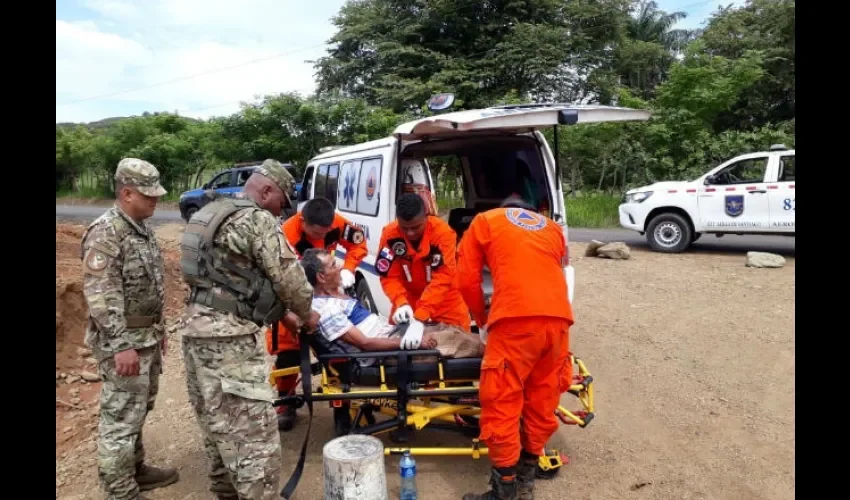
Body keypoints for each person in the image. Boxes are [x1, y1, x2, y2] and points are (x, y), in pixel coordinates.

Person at [173, 159, 319, 500]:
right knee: (255, 440)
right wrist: (307, 314)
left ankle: (226, 493)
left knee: (218, 426)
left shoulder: (209, 213)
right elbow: (290, 280)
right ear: (266, 190)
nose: (282, 212)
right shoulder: (256, 219)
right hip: (232, 340)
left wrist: (281, 315)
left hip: (196, 334)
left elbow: (229, 279)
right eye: (281, 203)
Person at [454, 196, 575, 500]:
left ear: (503, 208)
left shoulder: (485, 221)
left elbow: (467, 279)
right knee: (542, 397)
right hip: (558, 321)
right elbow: (557, 271)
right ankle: (527, 477)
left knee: (502, 400)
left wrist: (482, 320)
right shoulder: (552, 228)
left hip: (516, 321)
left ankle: (504, 489)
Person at [80, 157, 179, 500]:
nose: (156, 200)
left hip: (146, 338)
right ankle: (120, 490)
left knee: (139, 408)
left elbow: (151, 287)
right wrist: (121, 345)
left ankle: (135, 469)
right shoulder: (106, 232)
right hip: (124, 343)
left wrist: (160, 329)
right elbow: (101, 296)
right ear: (126, 193)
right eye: (148, 195)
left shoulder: (140, 228)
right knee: (120, 419)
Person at [267, 196, 368, 431]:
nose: (322, 237)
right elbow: (278, 277)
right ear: (303, 221)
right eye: (316, 232)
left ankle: (341, 408)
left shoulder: (338, 224)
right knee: (288, 350)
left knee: (339, 348)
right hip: (295, 296)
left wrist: (349, 271)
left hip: (328, 292)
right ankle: (287, 401)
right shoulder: (285, 236)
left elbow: (359, 245)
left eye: (326, 232)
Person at [299, 248, 483, 366]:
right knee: (458, 341)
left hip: (392, 336)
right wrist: (414, 343)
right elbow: (365, 344)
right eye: (333, 266)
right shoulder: (327, 310)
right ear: (321, 277)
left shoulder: (338, 293)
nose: (339, 267)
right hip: (386, 352)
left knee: (451, 329)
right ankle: (502, 359)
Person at [376, 192, 471, 334]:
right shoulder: (390, 235)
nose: (410, 233)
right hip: (408, 303)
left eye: (415, 227)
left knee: (461, 348)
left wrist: (421, 317)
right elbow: (388, 275)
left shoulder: (442, 234)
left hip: (445, 302)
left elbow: (443, 277)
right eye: (404, 228)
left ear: (426, 218)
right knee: (397, 348)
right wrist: (400, 302)